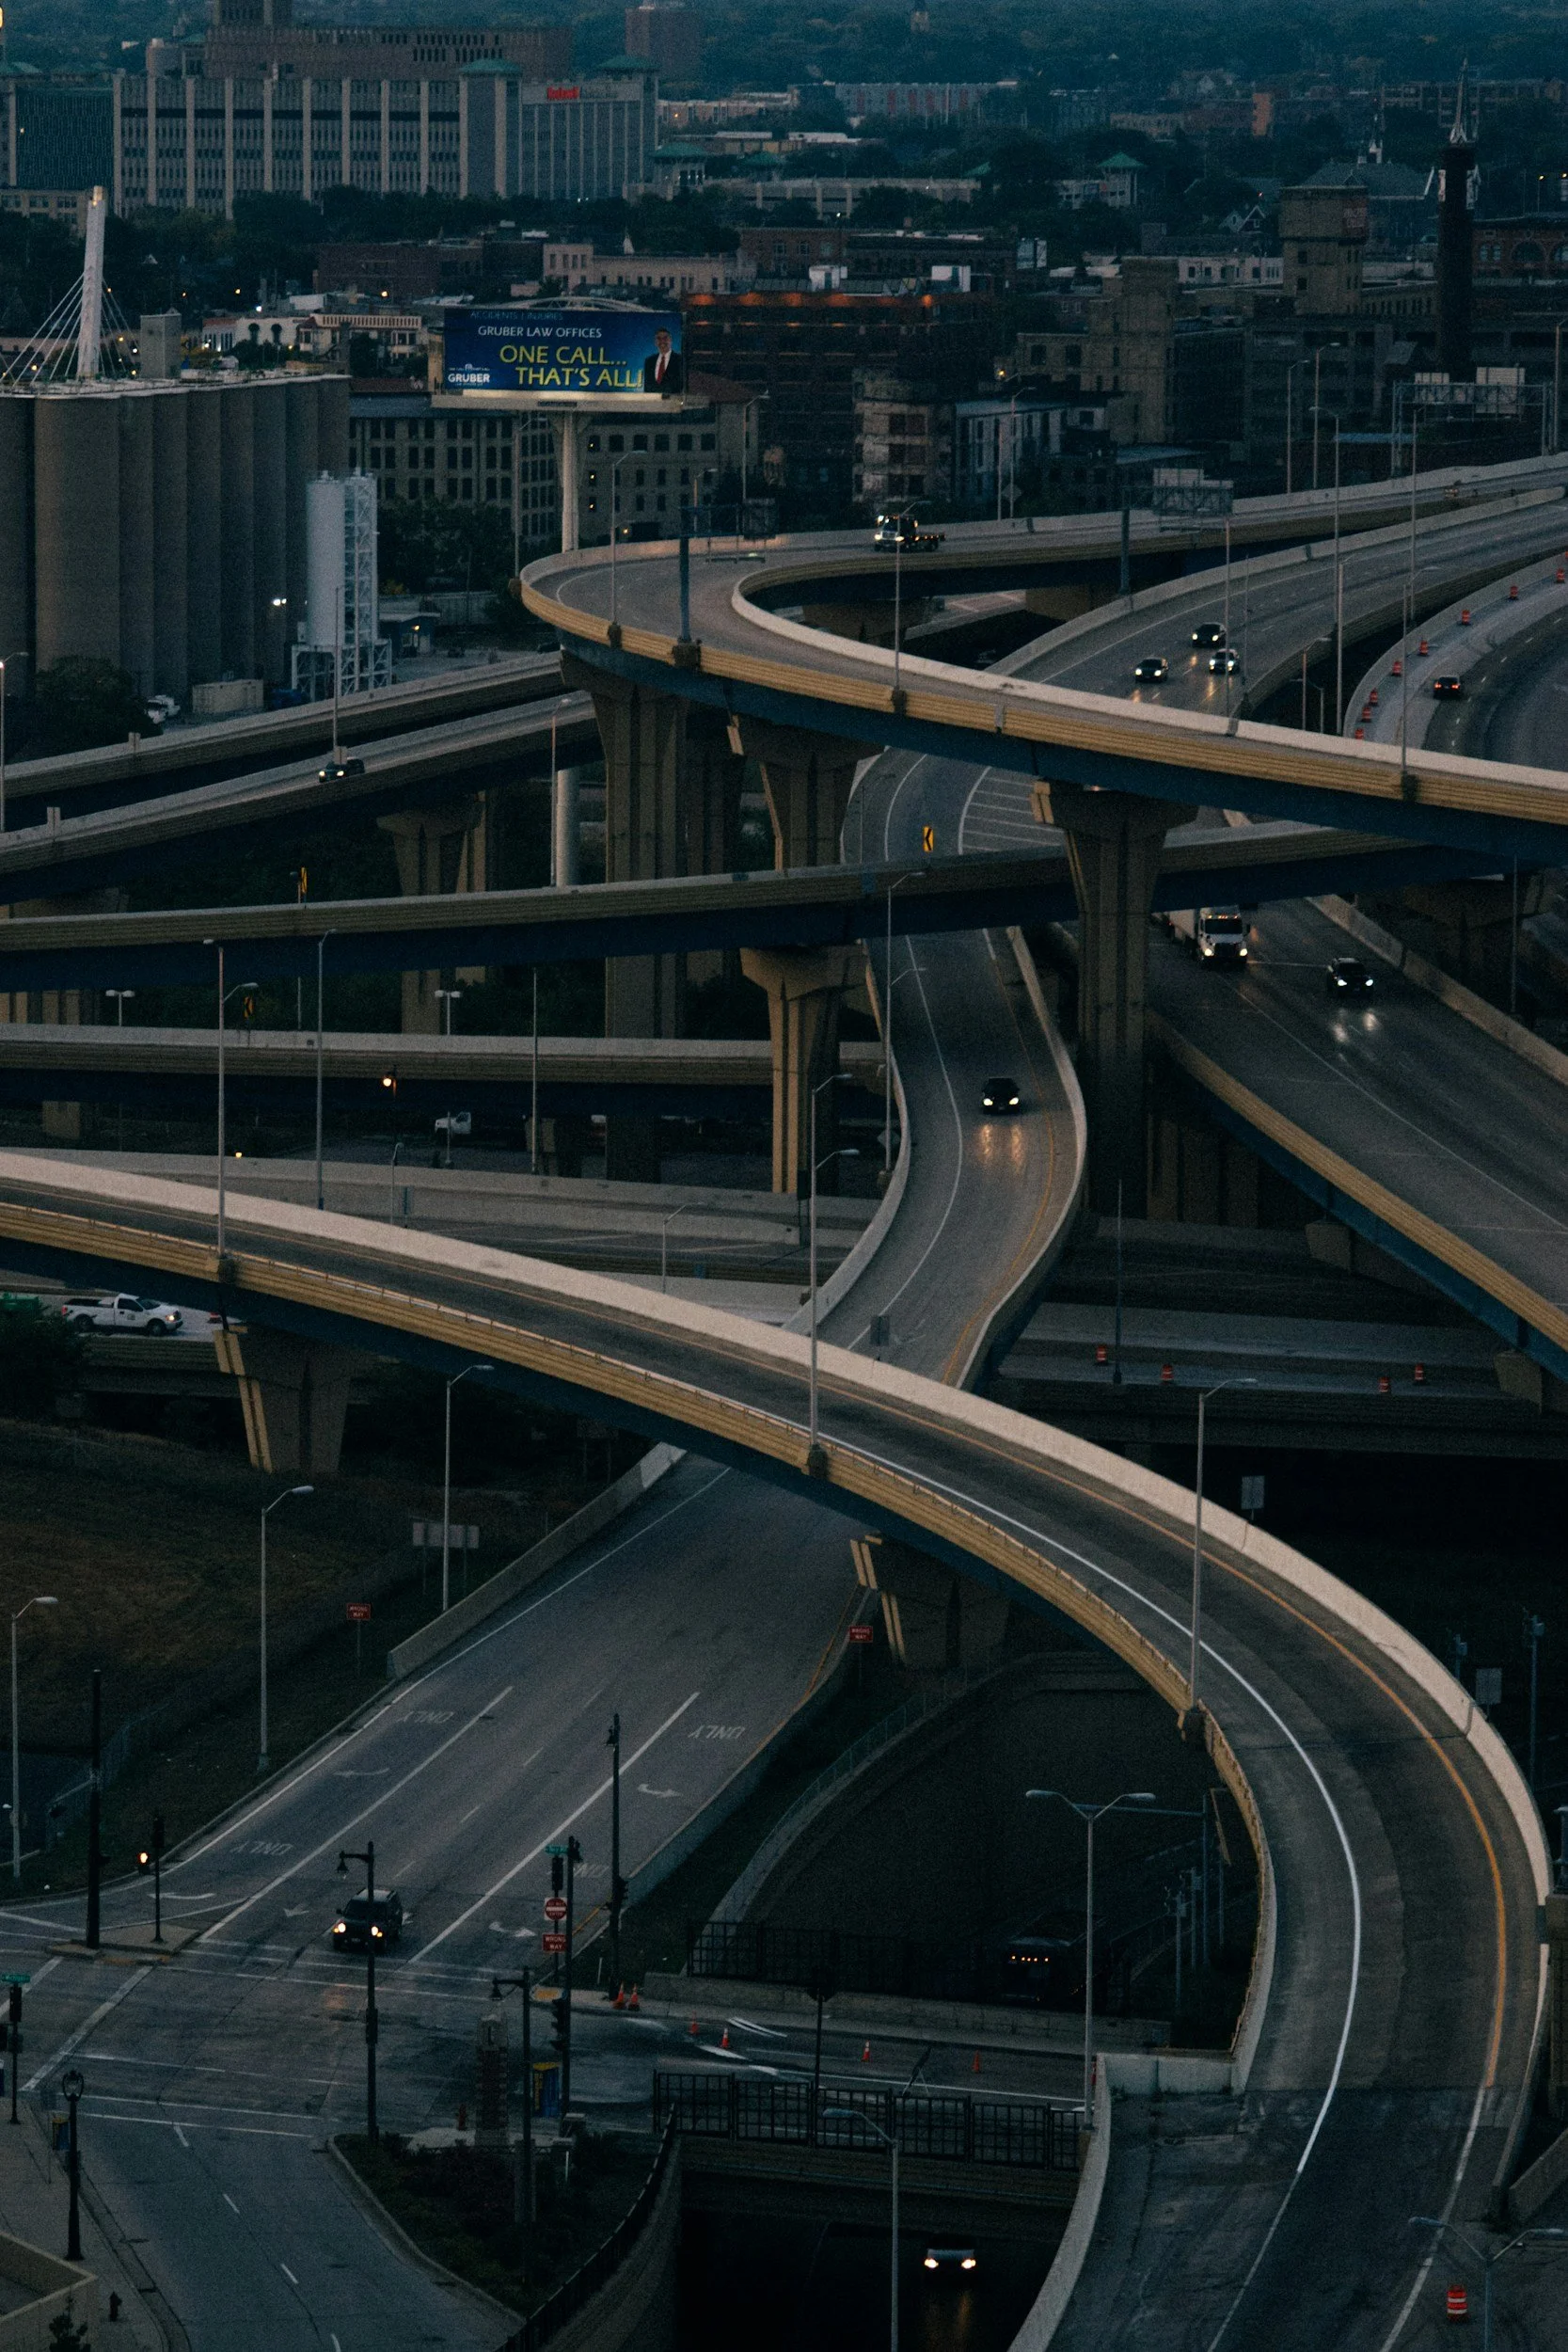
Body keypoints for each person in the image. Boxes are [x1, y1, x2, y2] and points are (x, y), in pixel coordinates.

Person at [642, 326, 684, 394]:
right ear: (655, 342)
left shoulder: (680, 360)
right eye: (659, 338)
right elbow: (647, 387)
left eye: (665, 338)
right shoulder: (649, 361)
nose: (662, 341)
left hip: (673, 402)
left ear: (670, 340)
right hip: (652, 402)